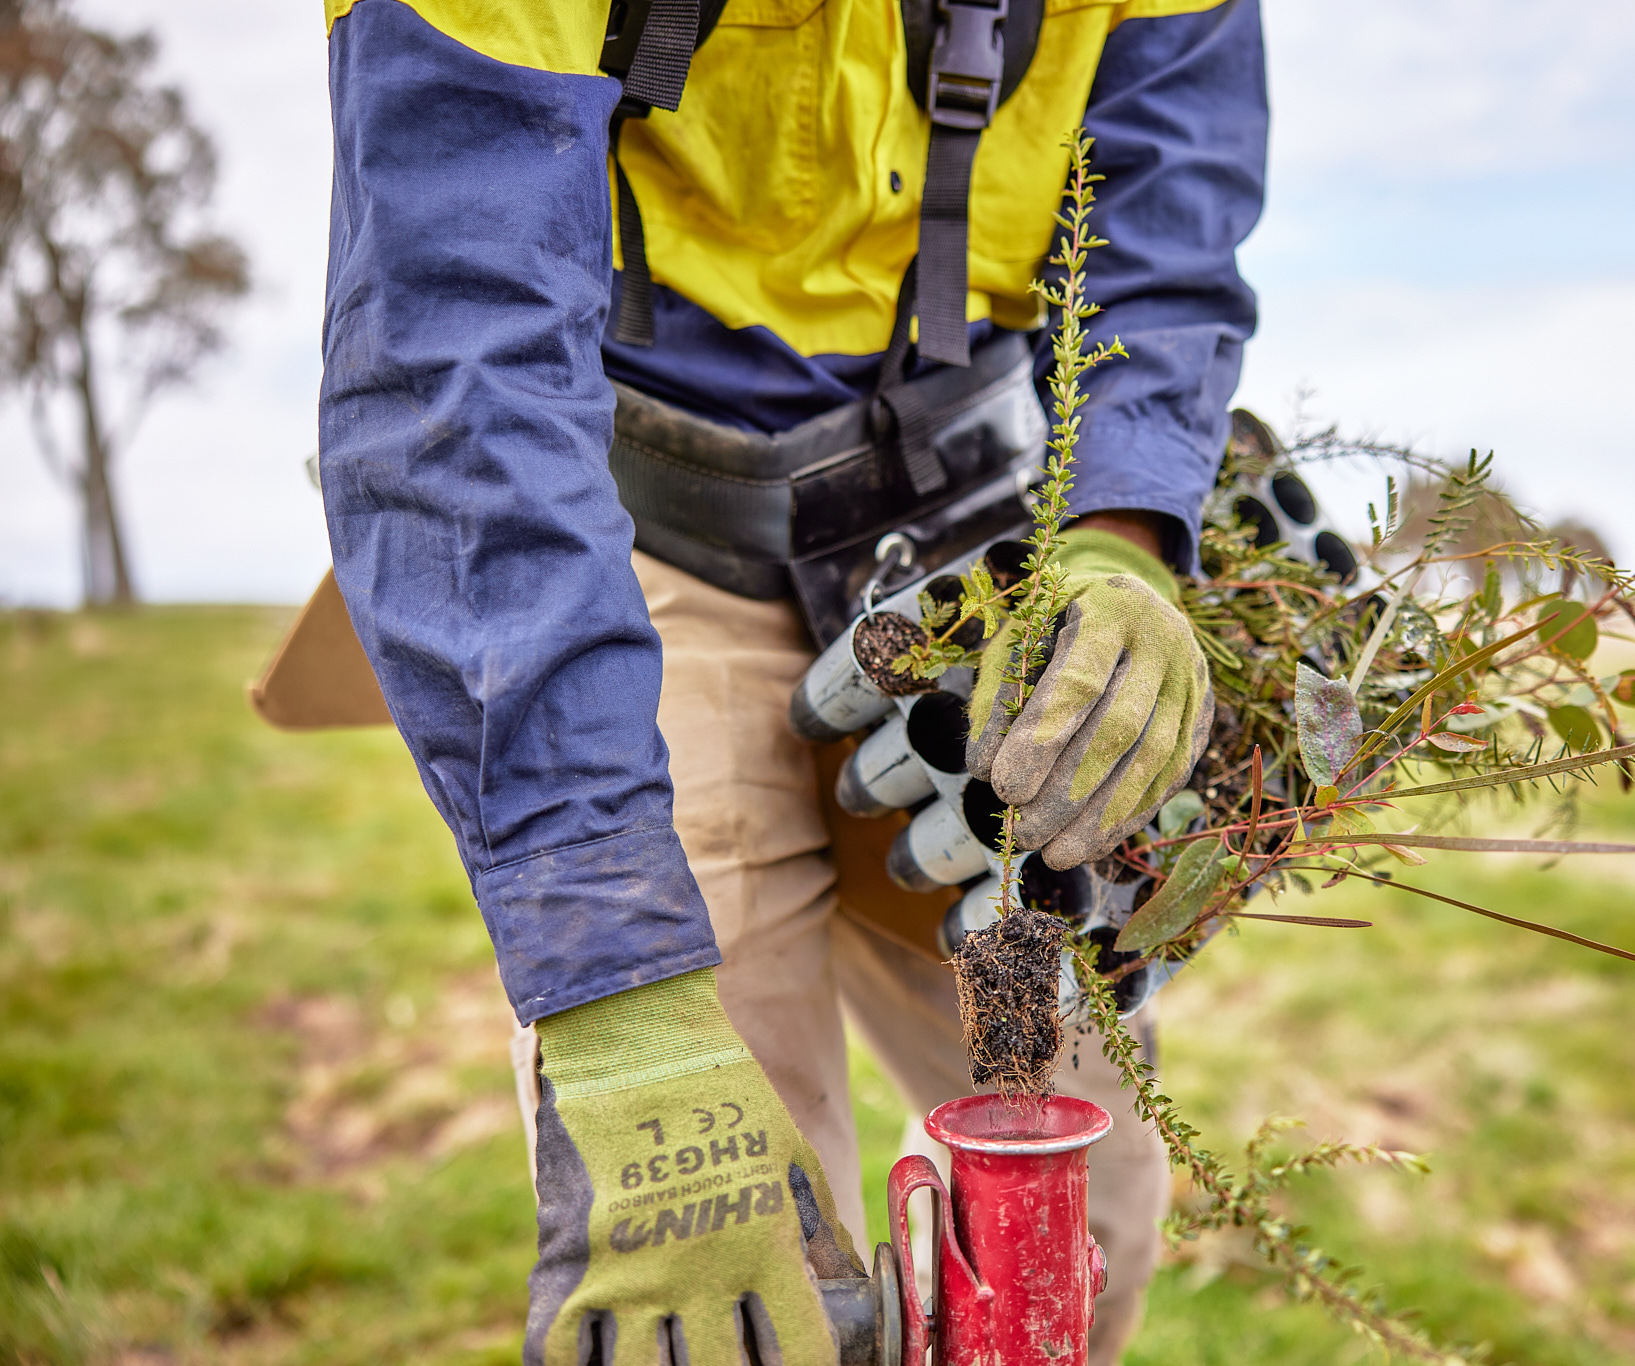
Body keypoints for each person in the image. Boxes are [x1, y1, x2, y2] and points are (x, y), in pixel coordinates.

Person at [316, 2, 1267, 1362]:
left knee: (1075, 1223)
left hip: (975, 562)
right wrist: (617, 993)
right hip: (648, 539)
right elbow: (454, 358)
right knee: (741, 1284)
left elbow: (1166, 213)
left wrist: (1123, 541)